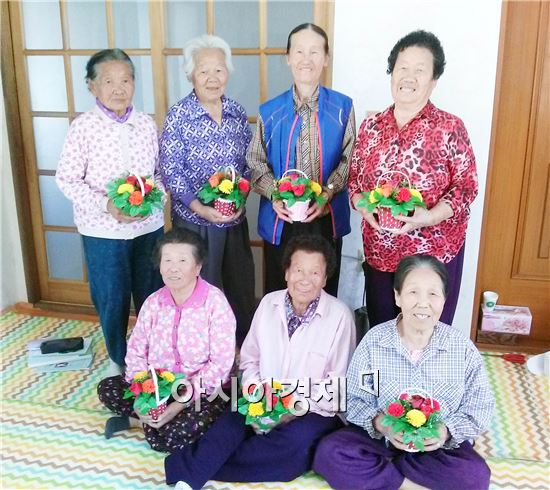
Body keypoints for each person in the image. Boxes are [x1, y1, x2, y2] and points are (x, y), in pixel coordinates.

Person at [164, 234, 356, 489]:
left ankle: (197, 465)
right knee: (230, 422)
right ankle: (188, 480)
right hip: (262, 396)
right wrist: (258, 394)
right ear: (286, 272)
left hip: (314, 409)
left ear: (325, 277)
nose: (305, 280)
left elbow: (337, 384)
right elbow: (250, 359)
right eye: (298, 270)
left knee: (294, 445)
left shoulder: (340, 316)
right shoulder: (268, 303)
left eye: (314, 273)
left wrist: (290, 408)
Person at [313, 254, 494, 490]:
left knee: (475, 476)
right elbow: (355, 398)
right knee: (330, 452)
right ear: (397, 296)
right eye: (413, 292)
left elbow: (480, 407)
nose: (423, 303)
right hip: (383, 441)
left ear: (443, 300)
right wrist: (382, 424)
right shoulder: (375, 342)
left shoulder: (460, 348)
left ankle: (383, 475)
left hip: (434, 448)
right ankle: (406, 484)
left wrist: (444, 431)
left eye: (432, 294)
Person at [348, 30, 478, 326]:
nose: (409, 77)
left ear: (434, 80)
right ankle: (386, 375)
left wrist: (430, 216)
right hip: (380, 251)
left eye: (420, 70)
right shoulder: (372, 127)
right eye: (402, 67)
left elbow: (466, 188)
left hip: (432, 255)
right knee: (384, 330)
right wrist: (363, 207)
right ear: (391, 73)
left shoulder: (450, 127)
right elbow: (354, 181)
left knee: (427, 335)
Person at [56, 49, 164, 377]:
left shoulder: (145, 123)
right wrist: (108, 206)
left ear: (134, 83)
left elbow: (160, 175)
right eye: (108, 81)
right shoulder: (83, 127)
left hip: (148, 228)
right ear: (92, 86)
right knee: (112, 297)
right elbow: (66, 179)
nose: (119, 88)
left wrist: (151, 200)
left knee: (151, 294)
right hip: (102, 231)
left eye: (126, 80)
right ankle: (118, 359)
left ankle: (152, 357)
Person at [97, 228, 236, 452]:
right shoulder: (153, 302)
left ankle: (141, 422)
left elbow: (221, 364)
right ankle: (150, 418)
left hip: (200, 390)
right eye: (167, 260)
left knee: (173, 437)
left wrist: (180, 404)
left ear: (198, 267)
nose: (173, 268)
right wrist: (143, 394)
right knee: (107, 388)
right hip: (158, 386)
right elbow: (136, 350)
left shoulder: (215, 304)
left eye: (182, 260)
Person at [159, 34, 255, 346]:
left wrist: (241, 199)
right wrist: (199, 207)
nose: (212, 78)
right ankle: (201, 348)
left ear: (228, 73)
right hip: (195, 223)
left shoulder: (237, 113)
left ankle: (243, 347)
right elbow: (170, 170)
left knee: (241, 285)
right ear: (191, 75)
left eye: (219, 70)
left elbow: (250, 162)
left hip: (233, 219)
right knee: (201, 289)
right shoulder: (179, 115)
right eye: (204, 71)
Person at [248, 23, 356, 297]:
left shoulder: (343, 107)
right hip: (281, 218)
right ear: (288, 58)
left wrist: (327, 195)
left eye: (314, 52)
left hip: (325, 217)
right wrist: (275, 194)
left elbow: (350, 158)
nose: (306, 59)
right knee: (279, 290)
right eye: (299, 51)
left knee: (324, 292)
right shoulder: (269, 111)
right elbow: (256, 161)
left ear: (326, 59)